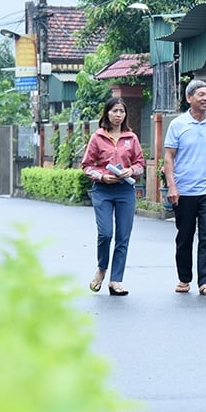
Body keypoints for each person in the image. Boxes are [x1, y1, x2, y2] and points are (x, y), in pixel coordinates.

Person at [163, 79, 206, 296]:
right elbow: (169, 157)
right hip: (183, 191)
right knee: (184, 236)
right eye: (201, 94)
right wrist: (172, 186)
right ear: (189, 98)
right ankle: (184, 279)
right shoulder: (178, 125)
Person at [81, 97, 145, 296]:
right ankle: (101, 269)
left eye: (122, 111)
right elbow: (86, 166)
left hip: (125, 191)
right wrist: (102, 176)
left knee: (123, 236)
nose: (118, 115)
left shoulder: (131, 138)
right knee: (105, 233)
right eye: (115, 111)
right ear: (107, 113)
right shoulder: (97, 137)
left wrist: (131, 171)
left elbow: (140, 164)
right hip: (103, 190)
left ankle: (116, 280)